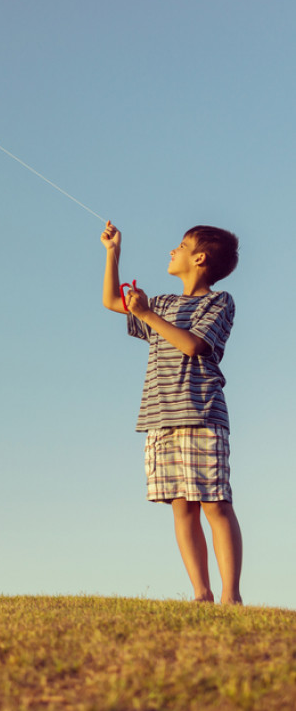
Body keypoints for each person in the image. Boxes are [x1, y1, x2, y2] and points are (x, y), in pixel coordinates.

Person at [101, 221, 243, 604]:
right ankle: (202, 593)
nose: (172, 251)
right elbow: (112, 302)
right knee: (182, 507)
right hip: (160, 417)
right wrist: (113, 253)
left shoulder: (219, 302)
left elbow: (194, 346)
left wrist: (148, 316)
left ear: (199, 259)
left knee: (215, 503)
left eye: (180, 246)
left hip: (201, 414)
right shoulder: (162, 303)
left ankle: (231, 595)